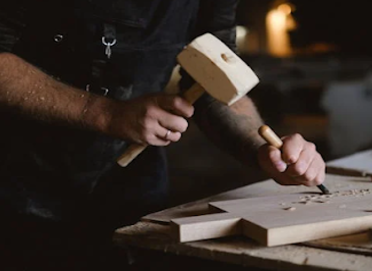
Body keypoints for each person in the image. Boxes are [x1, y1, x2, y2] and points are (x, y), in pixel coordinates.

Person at [0, 0, 326, 269]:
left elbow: (215, 75)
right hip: (21, 184)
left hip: (133, 188)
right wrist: (104, 113)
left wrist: (263, 149)